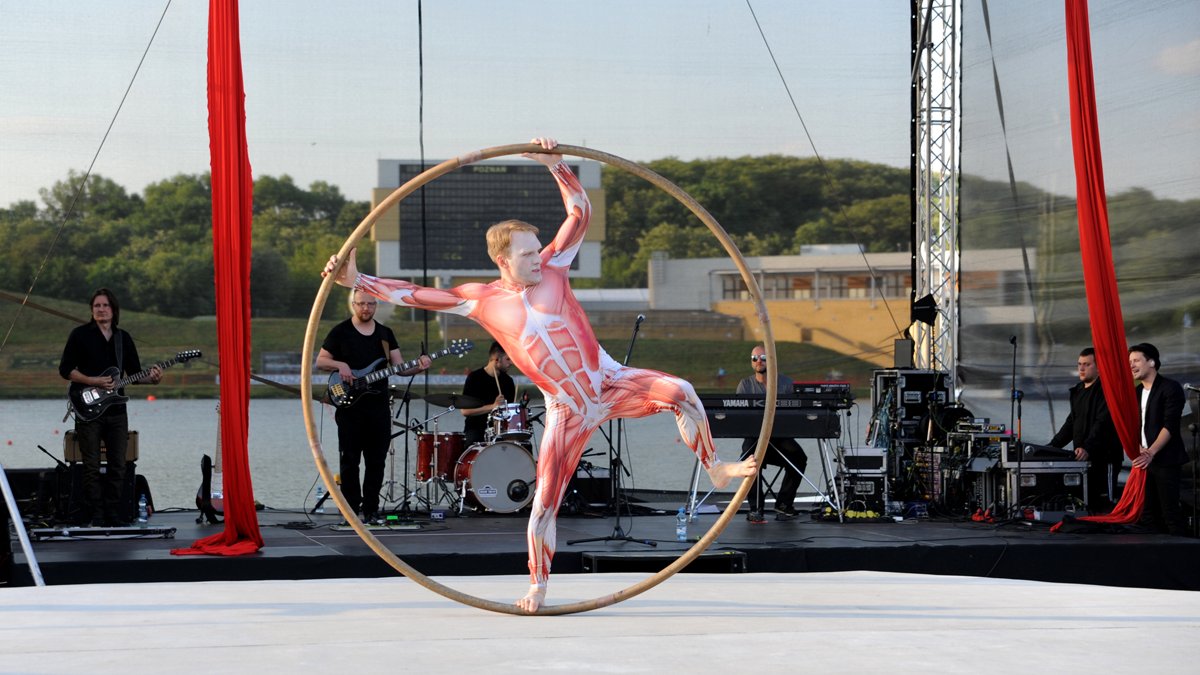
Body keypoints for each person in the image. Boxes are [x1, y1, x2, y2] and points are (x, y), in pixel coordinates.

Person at [323, 137, 756, 612]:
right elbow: (412, 293)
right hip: (566, 408)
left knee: (683, 391)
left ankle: (713, 466)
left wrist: (557, 166)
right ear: (502, 259)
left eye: (536, 250)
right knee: (544, 504)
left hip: (605, 381)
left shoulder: (554, 268)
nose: (537, 257)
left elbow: (580, 213)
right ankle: (538, 586)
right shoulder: (482, 301)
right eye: (527, 253)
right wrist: (358, 281)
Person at [316, 289, 431, 524]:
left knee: (376, 460)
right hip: (349, 407)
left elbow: (400, 367)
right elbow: (320, 361)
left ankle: (371, 511)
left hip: (378, 408)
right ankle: (350, 512)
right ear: (353, 305)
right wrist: (340, 365)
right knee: (349, 460)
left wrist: (420, 366)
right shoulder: (340, 332)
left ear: (376, 306)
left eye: (370, 304)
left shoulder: (385, 334)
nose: (365, 308)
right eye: (361, 304)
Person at [58, 288, 161, 526]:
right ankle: (95, 515)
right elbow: (66, 370)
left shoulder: (123, 338)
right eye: (97, 306)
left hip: (116, 411)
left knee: (119, 464)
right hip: (88, 409)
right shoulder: (79, 335)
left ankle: (114, 514)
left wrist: (154, 378)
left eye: (105, 306)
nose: (101, 310)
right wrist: (93, 381)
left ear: (113, 310)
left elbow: (135, 375)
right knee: (91, 465)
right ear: (92, 310)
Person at [736, 345, 808, 523]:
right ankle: (755, 508)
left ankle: (784, 503)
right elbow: (738, 415)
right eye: (754, 358)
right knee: (749, 460)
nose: (758, 361)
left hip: (780, 437)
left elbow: (795, 413)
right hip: (755, 438)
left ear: (771, 360)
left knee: (799, 458)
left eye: (762, 357)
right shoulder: (745, 385)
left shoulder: (786, 383)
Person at [1047, 347, 1122, 512]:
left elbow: (1103, 423)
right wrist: (1051, 448)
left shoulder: (1106, 391)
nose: (1081, 368)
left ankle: (1108, 532)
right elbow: (1071, 423)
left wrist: (1088, 447)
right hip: (1081, 459)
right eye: (1079, 364)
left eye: (1087, 364)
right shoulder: (1078, 391)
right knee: (1086, 501)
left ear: (1099, 367)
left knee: (1105, 503)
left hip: (1104, 458)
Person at [1128, 343, 1188, 536]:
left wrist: (1151, 453)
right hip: (1144, 460)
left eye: (1136, 360)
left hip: (1165, 460)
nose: (1132, 365)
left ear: (1152, 362)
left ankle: (1184, 557)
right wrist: (1137, 449)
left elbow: (1170, 425)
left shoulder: (1170, 388)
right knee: (1147, 515)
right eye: (1130, 362)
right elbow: (1132, 426)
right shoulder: (1136, 393)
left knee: (1169, 512)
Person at [459, 341, 516, 446]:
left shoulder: (508, 382)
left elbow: (509, 413)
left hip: (500, 432)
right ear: (496, 359)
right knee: (472, 443)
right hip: (476, 430)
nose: (511, 363)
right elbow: (465, 411)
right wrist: (493, 407)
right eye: (507, 359)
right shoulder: (474, 378)